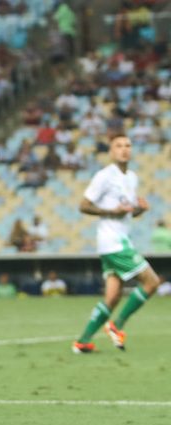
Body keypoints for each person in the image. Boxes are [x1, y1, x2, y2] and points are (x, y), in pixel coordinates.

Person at [72, 134, 160, 354]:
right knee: (152, 282)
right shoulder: (104, 176)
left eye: (128, 145)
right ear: (111, 152)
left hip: (117, 241)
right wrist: (110, 212)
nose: (124, 149)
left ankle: (82, 342)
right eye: (119, 146)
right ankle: (117, 325)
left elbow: (127, 214)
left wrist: (139, 209)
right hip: (113, 242)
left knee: (112, 297)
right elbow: (84, 205)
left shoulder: (132, 177)